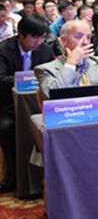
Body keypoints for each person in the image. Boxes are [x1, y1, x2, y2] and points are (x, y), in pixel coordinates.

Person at [0, 15, 54, 192]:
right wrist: (28, 79)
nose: (39, 42)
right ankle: (13, 175)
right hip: (8, 105)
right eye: (34, 37)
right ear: (21, 35)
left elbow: (51, 76)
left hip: (38, 104)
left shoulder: (45, 50)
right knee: (6, 128)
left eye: (42, 37)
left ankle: (46, 176)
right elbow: (1, 79)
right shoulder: (4, 50)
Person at [35, 20, 98, 100]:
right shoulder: (45, 69)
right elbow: (54, 96)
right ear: (63, 41)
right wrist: (70, 64)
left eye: (88, 37)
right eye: (78, 37)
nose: (85, 42)